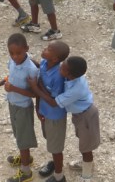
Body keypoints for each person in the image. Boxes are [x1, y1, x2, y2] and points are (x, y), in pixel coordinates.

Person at [29, 55, 101, 181]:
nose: (59, 68)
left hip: (87, 116)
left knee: (86, 147)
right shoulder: (72, 76)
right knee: (83, 142)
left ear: (69, 74)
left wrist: (36, 87)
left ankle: (86, 175)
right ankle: (85, 163)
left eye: (62, 67)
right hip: (79, 115)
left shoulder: (76, 89)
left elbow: (53, 102)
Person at [0, 33, 39, 182]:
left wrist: (14, 89)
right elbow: (9, 77)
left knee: (23, 139)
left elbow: (34, 94)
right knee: (19, 135)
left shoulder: (31, 69)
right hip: (13, 104)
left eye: (18, 53)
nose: (15, 56)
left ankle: (26, 172)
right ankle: (26, 158)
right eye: (11, 53)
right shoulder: (12, 62)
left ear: (26, 49)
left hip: (23, 107)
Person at [31, 41, 70, 182]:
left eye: (48, 49)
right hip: (45, 112)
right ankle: (54, 163)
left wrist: (35, 87)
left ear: (55, 59)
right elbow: (40, 71)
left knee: (56, 147)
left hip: (55, 116)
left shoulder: (58, 75)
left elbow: (52, 99)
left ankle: (59, 176)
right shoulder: (44, 62)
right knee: (50, 140)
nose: (44, 49)